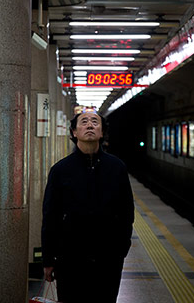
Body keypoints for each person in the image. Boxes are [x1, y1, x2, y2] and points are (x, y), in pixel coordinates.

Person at [41, 109, 135, 303]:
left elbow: (127, 212)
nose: (90, 125)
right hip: (70, 258)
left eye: (95, 121)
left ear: (102, 132)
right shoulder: (60, 170)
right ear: (74, 132)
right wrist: (48, 259)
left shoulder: (117, 168)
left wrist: (121, 249)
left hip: (108, 258)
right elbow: (50, 216)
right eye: (84, 122)